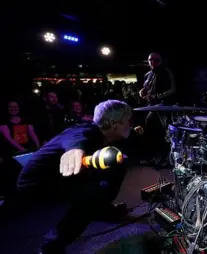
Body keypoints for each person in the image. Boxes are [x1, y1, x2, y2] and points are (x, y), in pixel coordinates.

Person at [16, 100, 137, 253]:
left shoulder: (109, 137)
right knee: (92, 196)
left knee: (117, 165)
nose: (130, 125)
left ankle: (103, 209)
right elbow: (76, 138)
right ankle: (52, 246)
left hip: (63, 176)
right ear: (114, 124)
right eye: (128, 121)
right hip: (36, 183)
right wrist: (74, 151)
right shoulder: (85, 130)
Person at [139, 53, 176, 165]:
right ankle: (152, 157)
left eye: (156, 60)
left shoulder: (166, 72)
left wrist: (156, 96)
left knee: (164, 133)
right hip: (152, 107)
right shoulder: (148, 75)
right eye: (150, 60)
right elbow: (145, 89)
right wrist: (142, 92)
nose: (153, 63)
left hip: (164, 108)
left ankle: (165, 158)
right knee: (150, 131)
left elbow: (173, 89)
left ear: (161, 61)